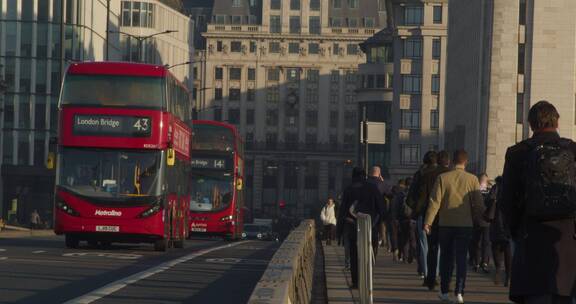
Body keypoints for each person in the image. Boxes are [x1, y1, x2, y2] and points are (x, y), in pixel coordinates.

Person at [500, 101, 576, 304]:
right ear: (557, 121)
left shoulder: (518, 152)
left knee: (535, 294)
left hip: (530, 233)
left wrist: (515, 230)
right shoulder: (573, 149)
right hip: (567, 236)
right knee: (564, 292)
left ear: (531, 124)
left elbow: (506, 199)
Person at [424, 150, 485, 304]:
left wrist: (428, 222)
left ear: (452, 161)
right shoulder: (472, 179)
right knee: (461, 257)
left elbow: (434, 201)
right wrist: (482, 221)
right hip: (465, 224)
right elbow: (478, 204)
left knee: (446, 258)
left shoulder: (442, 178)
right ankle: (459, 291)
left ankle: (444, 291)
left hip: (446, 224)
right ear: (466, 162)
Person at [337, 167, 384, 289]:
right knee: (370, 252)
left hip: (353, 225)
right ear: (365, 176)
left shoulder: (349, 189)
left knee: (354, 254)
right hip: (370, 225)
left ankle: (356, 282)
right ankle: (367, 279)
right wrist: (379, 223)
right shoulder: (372, 188)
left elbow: (342, 211)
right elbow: (381, 207)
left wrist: (339, 232)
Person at [418, 150, 452, 290]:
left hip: (431, 215)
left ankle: (431, 279)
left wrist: (419, 214)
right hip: (448, 216)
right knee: (447, 251)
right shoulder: (450, 175)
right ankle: (446, 280)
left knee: (432, 248)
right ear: (448, 161)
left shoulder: (427, 175)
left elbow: (424, 197)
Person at [407, 151, 439, 279]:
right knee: (437, 244)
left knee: (423, 244)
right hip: (438, 213)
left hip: (422, 212)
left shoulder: (420, 175)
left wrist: (415, 209)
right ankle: (435, 271)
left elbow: (410, 197)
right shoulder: (441, 174)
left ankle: (426, 273)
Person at [484, 176, 511, 287]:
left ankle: (498, 269)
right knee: (508, 249)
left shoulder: (495, 188)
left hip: (495, 222)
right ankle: (508, 276)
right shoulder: (510, 188)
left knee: (495, 247)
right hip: (508, 223)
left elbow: (487, 201)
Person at [366, 165, 391, 256]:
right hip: (377, 214)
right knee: (374, 234)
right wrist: (383, 181)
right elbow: (390, 194)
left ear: (369, 173)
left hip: (364, 212)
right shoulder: (382, 184)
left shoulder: (365, 182)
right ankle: (373, 253)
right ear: (379, 174)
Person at [470, 173, 492, 273]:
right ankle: (479, 262)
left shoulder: (489, 190)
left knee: (483, 242)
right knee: (479, 242)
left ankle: (482, 262)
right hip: (480, 220)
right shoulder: (477, 190)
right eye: (482, 179)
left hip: (484, 219)